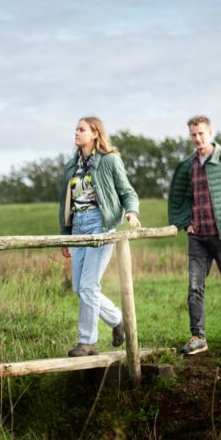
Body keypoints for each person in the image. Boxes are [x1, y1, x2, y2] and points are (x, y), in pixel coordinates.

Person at [167, 115, 221, 355]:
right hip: (198, 237)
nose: (197, 139)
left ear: (210, 133)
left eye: (201, 134)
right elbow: (181, 197)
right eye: (193, 134)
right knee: (194, 287)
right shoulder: (188, 166)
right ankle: (198, 337)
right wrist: (186, 224)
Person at [58, 116, 141, 357]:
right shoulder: (72, 165)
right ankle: (117, 320)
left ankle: (88, 342)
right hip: (78, 228)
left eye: (81, 129)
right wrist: (65, 235)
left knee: (88, 286)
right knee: (79, 288)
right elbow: (66, 203)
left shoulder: (109, 161)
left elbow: (127, 191)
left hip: (100, 225)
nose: (76, 133)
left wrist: (131, 212)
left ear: (95, 133)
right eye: (75, 129)